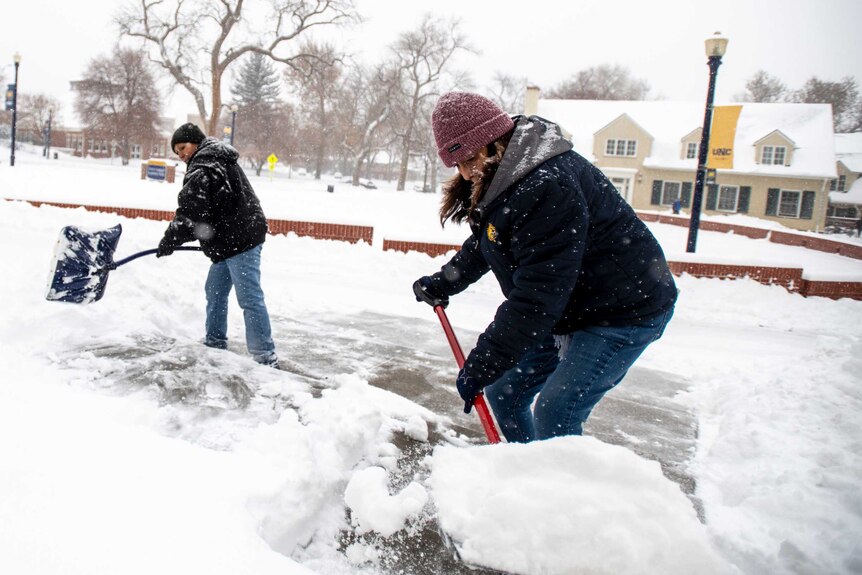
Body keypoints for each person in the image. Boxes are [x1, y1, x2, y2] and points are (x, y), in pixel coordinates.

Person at [413, 92, 677, 443]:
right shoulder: (508, 176)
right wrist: (445, 281)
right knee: (506, 394)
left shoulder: (546, 184)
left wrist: (483, 362)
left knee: (557, 411)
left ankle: (559, 493)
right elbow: (490, 239)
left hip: (623, 310)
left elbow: (538, 294)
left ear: (494, 143)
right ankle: (527, 473)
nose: (466, 173)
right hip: (569, 306)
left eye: (469, 159)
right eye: (457, 165)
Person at [157, 123, 278, 368]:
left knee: (249, 298)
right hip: (230, 239)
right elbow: (214, 207)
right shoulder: (217, 158)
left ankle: (265, 356)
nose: (180, 155)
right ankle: (214, 341)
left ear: (195, 142)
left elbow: (191, 213)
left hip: (240, 240)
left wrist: (169, 239)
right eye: (177, 152)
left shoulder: (205, 166)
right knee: (215, 290)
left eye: (182, 148)